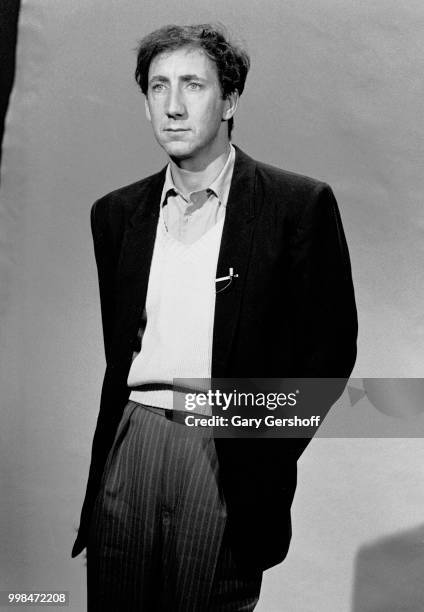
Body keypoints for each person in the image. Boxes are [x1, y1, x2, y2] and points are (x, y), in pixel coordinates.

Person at [72, 23, 358, 611]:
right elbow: (120, 348)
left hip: (225, 440)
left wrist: (262, 446)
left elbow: (329, 354)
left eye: (193, 85)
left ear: (230, 100)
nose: (173, 106)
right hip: (134, 437)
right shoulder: (116, 215)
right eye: (158, 87)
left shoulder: (295, 206)